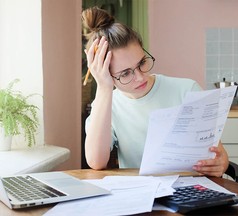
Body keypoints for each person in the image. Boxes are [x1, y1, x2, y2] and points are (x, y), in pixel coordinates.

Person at [82, 6, 229, 177]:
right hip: (144, 193)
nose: (140, 77)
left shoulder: (187, 90)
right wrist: (103, 87)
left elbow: (217, 152)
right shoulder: (107, 104)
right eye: (125, 73)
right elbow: (95, 162)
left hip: (191, 188)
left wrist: (222, 162)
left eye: (142, 63)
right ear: (106, 74)